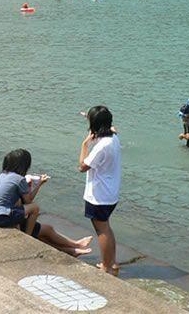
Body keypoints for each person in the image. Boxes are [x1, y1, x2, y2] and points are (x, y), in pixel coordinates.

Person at [0, 149, 93, 256]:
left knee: (47, 230)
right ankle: (27, 238)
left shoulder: (1, 176)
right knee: (35, 208)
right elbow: (29, 201)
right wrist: (40, 184)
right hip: (2, 216)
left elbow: (6, 199)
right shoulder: (19, 179)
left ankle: (73, 248)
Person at [79, 105, 121, 275]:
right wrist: (89, 116)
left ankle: (106, 265)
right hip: (110, 193)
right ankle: (113, 263)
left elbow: (82, 166)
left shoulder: (101, 146)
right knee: (107, 228)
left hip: (99, 195)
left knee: (101, 230)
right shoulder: (114, 138)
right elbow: (110, 128)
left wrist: (84, 145)